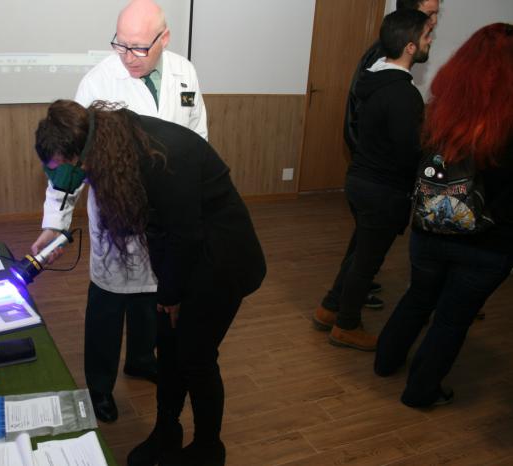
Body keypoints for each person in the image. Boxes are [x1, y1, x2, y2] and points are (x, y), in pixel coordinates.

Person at [34, 100, 265, 466]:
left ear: (82, 152)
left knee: (196, 356)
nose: (76, 178)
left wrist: (171, 296)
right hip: (181, 250)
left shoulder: (161, 155)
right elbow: (161, 231)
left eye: (71, 168)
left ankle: (209, 449)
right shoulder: (114, 146)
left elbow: (184, 234)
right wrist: (167, 289)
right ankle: (166, 432)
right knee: (169, 349)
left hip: (222, 257)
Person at [30, 0, 208, 424]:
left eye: (138, 48)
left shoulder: (186, 73)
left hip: (165, 216)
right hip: (116, 218)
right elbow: (68, 166)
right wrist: (54, 226)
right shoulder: (98, 82)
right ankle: (99, 386)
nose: (126, 57)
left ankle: (142, 360)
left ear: (164, 39)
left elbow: (198, 138)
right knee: (108, 304)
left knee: (153, 295)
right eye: (120, 45)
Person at [374, 23, 513, 407]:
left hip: (431, 229)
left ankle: (385, 361)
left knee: (418, 297)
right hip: (489, 241)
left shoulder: (441, 108)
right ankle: (421, 392)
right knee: (452, 319)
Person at [313, 9, 433, 350]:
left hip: (360, 182)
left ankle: (329, 308)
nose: (429, 42)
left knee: (358, 253)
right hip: (383, 190)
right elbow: (408, 152)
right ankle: (347, 325)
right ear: (410, 47)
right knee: (367, 262)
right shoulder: (404, 94)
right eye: (426, 37)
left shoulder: (373, 81)